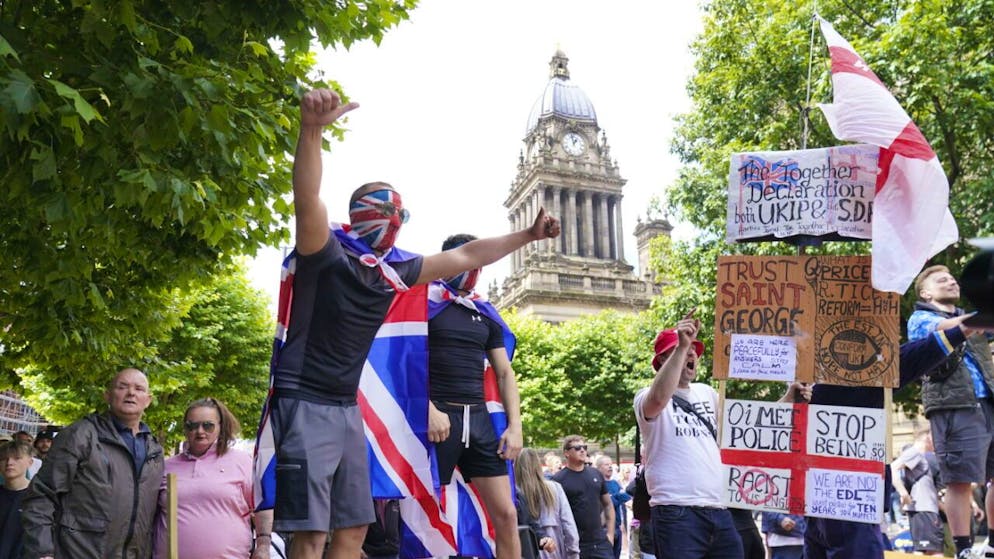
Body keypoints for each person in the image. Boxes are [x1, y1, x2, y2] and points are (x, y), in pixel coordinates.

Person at [268, 88, 561, 559]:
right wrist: (311, 130)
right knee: (312, 533)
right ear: (358, 216)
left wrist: (528, 235)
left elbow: (466, 255)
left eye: (398, 212)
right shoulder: (325, 253)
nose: (393, 220)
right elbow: (307, 197)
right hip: (305, 399)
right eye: (384, 210)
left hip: (346, 406)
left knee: (355, 527)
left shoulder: (395, 271)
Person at [787, 320, 986, 559]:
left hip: (847, 496)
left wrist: (965, 328)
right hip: (819, 502)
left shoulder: (859, 371)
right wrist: (791, 400)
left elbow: (916, 354)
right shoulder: (808, 383)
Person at [427, 233, 523, 559]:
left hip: (479, 422)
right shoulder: (423, 303)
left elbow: (505, 372)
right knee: (423, 516)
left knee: (507, 515)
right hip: (436, 418)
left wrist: (515, 426)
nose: (473, 268)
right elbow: (402, 358)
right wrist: (427, 408)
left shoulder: (484, 311)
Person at [22, 367, 164, 559]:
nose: (131, 393)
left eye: (139, 389)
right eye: (122, 387)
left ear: (148, 400)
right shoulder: (80, 435)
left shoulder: (154, 450)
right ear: (107, 395)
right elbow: (42, 494)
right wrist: (42, 552)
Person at [633, 318, 742, 559]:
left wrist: (790, 399)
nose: (691, 352)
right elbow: (658, 399)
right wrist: (682, 347)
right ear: (663, 360)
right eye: (682, 347)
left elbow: (744, 431)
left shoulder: (707, 393)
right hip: (676, 511)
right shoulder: (645, 396)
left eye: (693, 348)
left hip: (718, 509)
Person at [908, 265, 994, 558]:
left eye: (953, 278)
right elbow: (944, 329)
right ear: (926, 293)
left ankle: (992, 545)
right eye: (942, 279)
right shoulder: (921, 318)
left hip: (988, 401)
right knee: (959, 480)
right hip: (953, 405)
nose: (952, 282)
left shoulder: (971, 317)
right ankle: (964, 550)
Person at [153, 397, 272, 559]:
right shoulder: (166, 467)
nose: (200, 431)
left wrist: (263, 545)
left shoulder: (242, 462)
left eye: (208, 425)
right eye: (192, 426)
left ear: (221, 427)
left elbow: (262, 506)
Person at [553, 435, 615, 559]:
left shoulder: (595, 473)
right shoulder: (558, 480)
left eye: (584, 447)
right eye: (577, 448)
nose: (582, 450)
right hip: (575, 545)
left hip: (601, 543)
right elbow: (555, 515)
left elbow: (608, 505)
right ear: (566, 453)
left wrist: (610, 535)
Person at [514, 447, 580, 559]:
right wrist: (574, 553)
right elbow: (568, 524)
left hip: (527, 549)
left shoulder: (514, 492)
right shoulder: (554, 488)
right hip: (554, 548)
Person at [890, 425, 944, 556]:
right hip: (923, 509)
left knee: (925, 551)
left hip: (925, 509)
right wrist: (903, 493)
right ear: (928, 437)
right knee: (934, 552)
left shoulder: (920, 456)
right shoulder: (915, 453)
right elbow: (892, 468)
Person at [0, 440, 33, 559]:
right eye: (4, 459)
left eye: (17, 458)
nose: (9, 463)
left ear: (30, 462)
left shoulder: (39, 498)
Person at [594, 454, 630, 559]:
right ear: (599, 468)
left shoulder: (615, 483)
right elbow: (606, 503)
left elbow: (626, 497)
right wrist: (616, 497)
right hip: (605, 528)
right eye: (606, 464)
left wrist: (613, 497)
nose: (610, 467)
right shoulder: (598, 484)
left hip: (617, 527)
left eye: (611, 464)